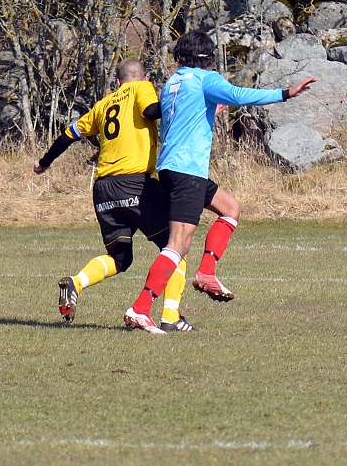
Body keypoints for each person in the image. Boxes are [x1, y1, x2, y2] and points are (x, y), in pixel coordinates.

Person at [124, 30, 315, 334]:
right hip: (187, 170)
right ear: (207, 57)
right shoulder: (205, 79)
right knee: (178, 244)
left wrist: (210, 109)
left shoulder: (173, 82)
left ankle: (206, 272)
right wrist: (285, 93)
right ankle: (140, 308)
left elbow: (182, 117)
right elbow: (239, 95)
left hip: (173, 168)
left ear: (181, 56)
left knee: (230, 208)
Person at [34, 58, 193, 332]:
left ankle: (77, 282)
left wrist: (44, 162)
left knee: (120, 258)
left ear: (117, 82)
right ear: (143, 78)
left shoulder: (103, 105)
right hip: (134, 183)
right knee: (176, 246)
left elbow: (68, 135)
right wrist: (184, 104)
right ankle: (170, 317)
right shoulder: (142, 88)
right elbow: (152, 110)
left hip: (103, 189)